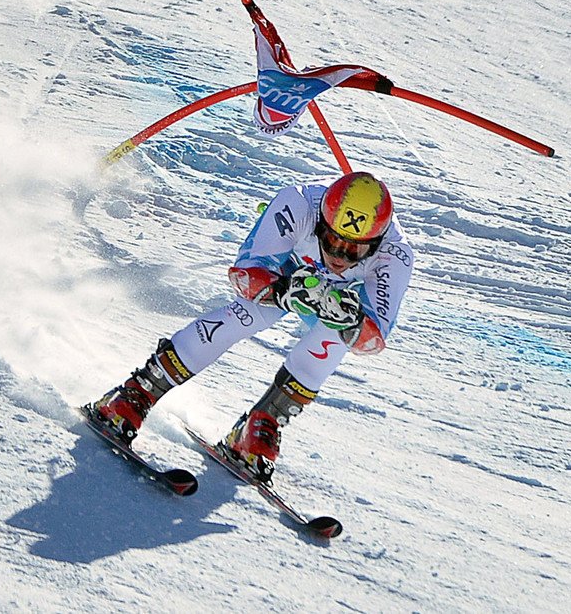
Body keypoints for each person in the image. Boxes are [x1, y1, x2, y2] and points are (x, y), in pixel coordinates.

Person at [88, 171, 414, 484]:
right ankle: (139, 390)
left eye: (354, 250)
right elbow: (244, 276)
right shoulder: (298, 203)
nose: (339, 256)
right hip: (284, 268)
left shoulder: (395, 255)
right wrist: (284, 290)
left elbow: (372, 340)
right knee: (250, 313)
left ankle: (262, 423)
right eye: (330, 240)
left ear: (375, 244)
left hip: (340, 298)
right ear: (320, 223)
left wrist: (353, 322)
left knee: (335, 337)